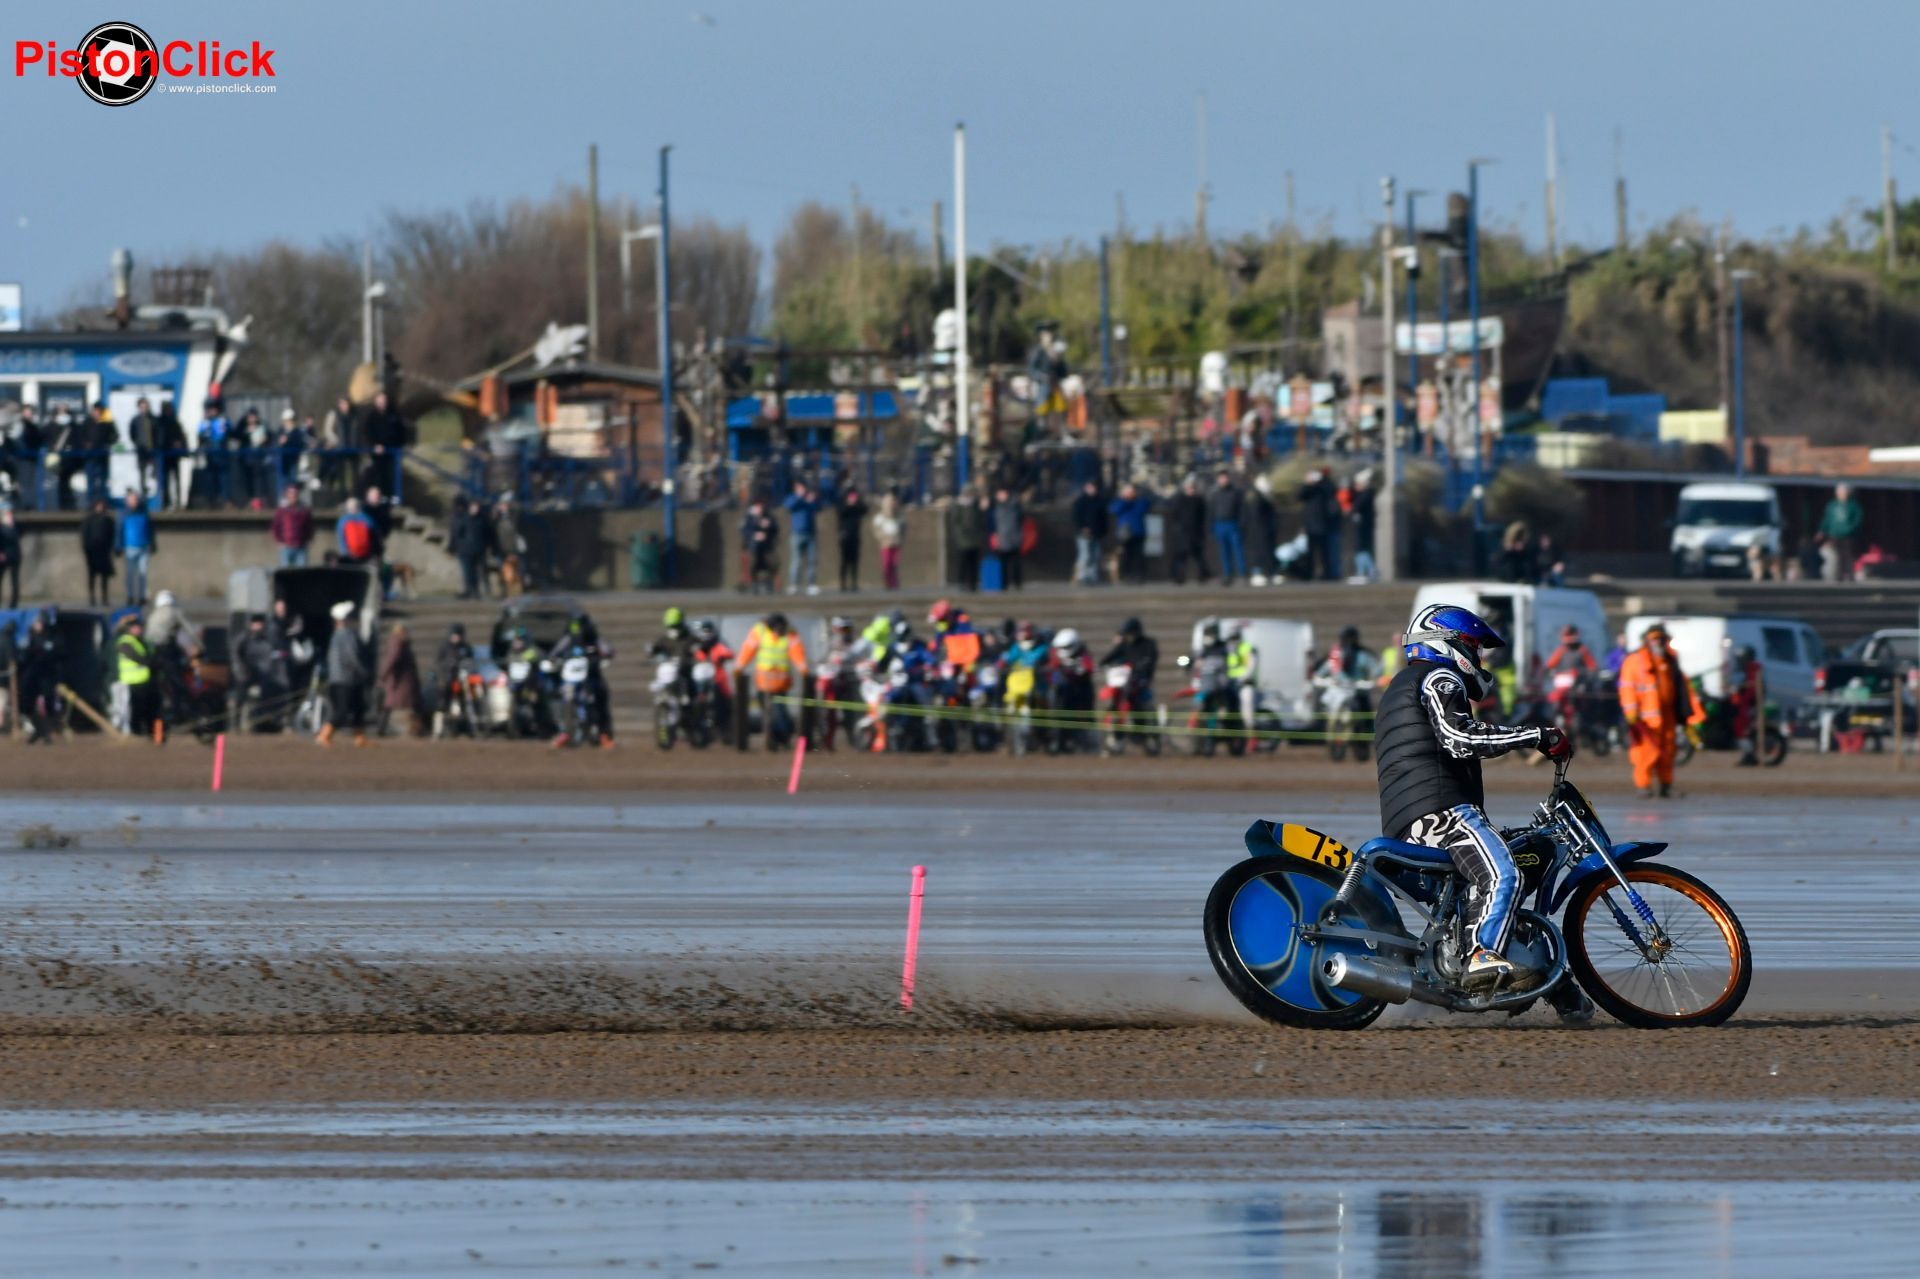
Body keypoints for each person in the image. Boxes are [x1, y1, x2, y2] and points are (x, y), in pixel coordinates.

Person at [1376, 604, 1570, 987]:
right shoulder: (1439, 677)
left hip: (1407, 820)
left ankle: (1550, 986)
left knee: (1482, 884)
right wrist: (1535, 735)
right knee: (1504, 876)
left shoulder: (1401, 685)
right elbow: (1460, 738)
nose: (1479, 659)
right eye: (1475, 647)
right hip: (1443, 811)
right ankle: (1482, 953)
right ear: (1450, 643)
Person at [1617, 623, 1706, 798]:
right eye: (1654, 639)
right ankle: (1643, 786)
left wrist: (1689, 713)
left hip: (1668, 715)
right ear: (1647, 640)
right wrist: (1630, 711)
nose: (1658, 642)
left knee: (1668, 752)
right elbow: (1627, 687)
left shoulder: (1669, 660)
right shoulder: (1635, 660)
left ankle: (1666, 786)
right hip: (1645, 718)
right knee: (1646, 753)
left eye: (1661, 639)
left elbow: (1682, 687)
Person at [735, 611, 809, 750]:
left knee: (780, 712)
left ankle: (783, 737)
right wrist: (739, 668)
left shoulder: (790, 634)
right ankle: (774, 738)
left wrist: (804, 670)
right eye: (778, 628)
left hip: (781, 684)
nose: (780, 631)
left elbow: (797, 654)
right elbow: (747, 650)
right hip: (763, 683)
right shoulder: (759, 632)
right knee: (767, 713)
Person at [319, 601, 371, 748]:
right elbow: (352, 657)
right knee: (343, 710)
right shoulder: (347, 635)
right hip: (347, 680)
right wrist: (362, 671)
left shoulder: (335, 636)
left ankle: (359, 737)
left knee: (358, 708)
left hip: (338, 679)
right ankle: (324, 735)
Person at [115, 615, 164, 745]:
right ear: (128, 629)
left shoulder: (143, 641)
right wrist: (153, 663)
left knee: (152, 710)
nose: (138, 629)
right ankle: (136, 735)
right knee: (136, 711)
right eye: (135, 627)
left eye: (139, 627)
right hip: (133, 684)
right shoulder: (125, 642)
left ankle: (154, 736)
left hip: (147, 682)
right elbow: (140, 658)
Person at [377, 623, 424, 738]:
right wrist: (383, 674)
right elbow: (392, 659)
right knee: (410, 705)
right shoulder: (398, 643)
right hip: (401, 681)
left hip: (402, 680)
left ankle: (417, 729)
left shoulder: (401, 644)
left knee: (392, 705)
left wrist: (383, 674)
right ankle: (417, 729)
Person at [1205, 471, 1246, 586]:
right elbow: (1211, 511)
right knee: (1224, 551)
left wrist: (1241, 524)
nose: (1223, 480)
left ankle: (1242, 574)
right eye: (1221, 478)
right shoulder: (1215, 494)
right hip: (1219, 524)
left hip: (1232, 523)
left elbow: (1241, 510)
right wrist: (1210, 527)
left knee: (1238, 550)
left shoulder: (1235, 493)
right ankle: (1227, 574)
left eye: (1225, 478)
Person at [1299, 469, 1340, 582]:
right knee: (1310, 551)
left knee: (1324, 552)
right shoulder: (1309, 489)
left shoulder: (1324, 487)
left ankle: (1327, 573)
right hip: (1311, 525)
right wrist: (1308, 483)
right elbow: (1301, 495)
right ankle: (1309, 573)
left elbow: (1332, 490)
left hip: (1322, 524)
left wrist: (1322, 480)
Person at [1818, 483, 1863, 582]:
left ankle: (1850, 575)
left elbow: (1857, 519)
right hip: (1835, 533)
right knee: (1837, 555)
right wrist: (1822, 530)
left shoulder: (1852, 505)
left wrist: (1850, 528)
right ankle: (1839, 576)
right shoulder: (1832, 505)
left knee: (1848, 554)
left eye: (1844, 492)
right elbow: (1827, 519)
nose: (1842, 494)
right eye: (1840, 492)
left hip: (1848, 534)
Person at [1109, 482, 1151, 585]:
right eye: (1127, 491)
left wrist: (1133, 500)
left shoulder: (1140, 501)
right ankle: (1127, 575)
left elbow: (1144, 508)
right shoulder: (1120, 502)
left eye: (1131, 491)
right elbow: (1114, 509)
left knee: (1138, 555)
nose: (1130, 493)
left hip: (1138, 532)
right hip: (1125, 534)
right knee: (1126, 555)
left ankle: (1139, 576)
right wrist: (1125, 500)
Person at [783, 480, 821, 595]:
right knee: (796, 560)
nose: (801, 490)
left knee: (812, 560)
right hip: (796, 534)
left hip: (810, 533)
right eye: (799, 488)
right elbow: (788, 506)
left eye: (802, 487)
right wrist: (799, 497)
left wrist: (813, 500)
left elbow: (818, 508)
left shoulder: (810, 499)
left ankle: (811, 584)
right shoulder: (792, 498)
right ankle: (794, 584)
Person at [1224, 622, 1260, 740]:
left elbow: (1252, 665)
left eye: (1235, 638)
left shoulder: (1247, 647)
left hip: (1245, 683)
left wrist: (1244, 677)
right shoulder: (1228, 650)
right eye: (1231, 639)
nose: (1233, 641)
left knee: (1246, 707)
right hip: (1230, 685)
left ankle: (1251, 736)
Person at [119, 491, 156, 606]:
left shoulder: (144, 513)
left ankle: (142, 596)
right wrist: (118, 546)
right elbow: (119, 531)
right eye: (131, 500)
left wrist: (152, 544)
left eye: (135, 499)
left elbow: (150, 530)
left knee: (143, 573)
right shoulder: (123, 514)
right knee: (130, 573)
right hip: (130, 547)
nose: (134, 502)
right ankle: (130, 596)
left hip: (143, 546)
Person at [452, 498, 494, 599]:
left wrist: (488, 546)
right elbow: (457, 533)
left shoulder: (483, 519)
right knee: (468, 572)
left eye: (477, 507)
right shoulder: (463, 518)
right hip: (466, 550)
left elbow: (488, 534)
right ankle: (469, 590)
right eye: (473, 507)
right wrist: (455, 546)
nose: (475, 509)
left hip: (479, 549)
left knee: (479, 572)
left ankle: (477, 591)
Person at [1242, 475, 1278, 587]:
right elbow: (1256, 515)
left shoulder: (1266, 497)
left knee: (1267, 552)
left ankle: (1270, 573)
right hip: (1259, 530)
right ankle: (1257, 574)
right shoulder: (1257, 497)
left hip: (1265, 530)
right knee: (1259, 553)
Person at [1071, 480, 1109, 586]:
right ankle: (1082, 576)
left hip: (1096, 533)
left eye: (1093, 487)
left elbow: (1103, 518)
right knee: (1085, 555)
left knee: (1095, 555)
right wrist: (1082, 528)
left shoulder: (1100, 501)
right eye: (1090, 487)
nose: (1092, 490)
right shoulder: (1080, 501)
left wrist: (1102, 530)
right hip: (1083, 534)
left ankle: (1093, 576)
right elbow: (1076, 518)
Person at [80, 496, 117, 605]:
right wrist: (86, 549)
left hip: (104, 551)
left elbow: (111, 535)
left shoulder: (108, 520)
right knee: (92, 575)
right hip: (92, 551)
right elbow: (84, 535)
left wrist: (110, 548)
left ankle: (104, 598)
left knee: (104, 576)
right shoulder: (88, 520)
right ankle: (92, 598)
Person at [270, 484, 314, 568]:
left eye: (295, 494)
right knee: (286, 571)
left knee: (302, 571)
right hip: (286, 546)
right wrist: (278, 541)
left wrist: (309, 539)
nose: (293, 496)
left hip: (301, 546)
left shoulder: (304, 510)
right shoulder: (281, 510)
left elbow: (309, 527)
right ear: (287, 495)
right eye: (291, 494)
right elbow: (275, 527)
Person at [989, 486, 1025, 591]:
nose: (1000, 496)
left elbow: (1020, 518)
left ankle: (1017, 583)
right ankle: (1004, 584)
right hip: (1002, 539)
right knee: (1003, 563)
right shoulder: (995, 506)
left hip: (1014, 538)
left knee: (1015, 562)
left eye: (1002, 494)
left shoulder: (1014, 505)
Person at [948, 489, 984, 590]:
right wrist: (961, 533)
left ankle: (973, 583)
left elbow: (980, 520)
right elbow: (956, 522)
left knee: (974, 563)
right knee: (963, 562)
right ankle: (961, 582)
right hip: (963, 539)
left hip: (974, 539)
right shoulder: (959, 505)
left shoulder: (976, 505)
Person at [741, 499, 778, 595]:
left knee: (771, 564)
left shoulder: (768, 516)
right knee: (753, 564)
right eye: (757, 507)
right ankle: (754, 584)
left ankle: (768, 583)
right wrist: (754, 534)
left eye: (761, 506)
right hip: (753, 547)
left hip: (766, 547)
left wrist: (768, 527)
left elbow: (775, 529)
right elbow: (744, 530)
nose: (759, 509)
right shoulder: (749, 517)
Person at [836, 486, 868, 592]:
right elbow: (841, 512)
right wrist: (849, 504)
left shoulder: (858, 506)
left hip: (855, 537)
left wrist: (858, 501)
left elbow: (865, 509)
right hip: (845, 536)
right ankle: (843, 584)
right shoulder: (843, 504)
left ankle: (854, 583)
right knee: (844, 561)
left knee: (855, 561)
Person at [871, 494, 904, 591]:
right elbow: (876, 530)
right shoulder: (880, 517)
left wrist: (900, 539)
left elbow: (903, 529)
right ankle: (888, 583)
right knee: (886, 564)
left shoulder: (899, 516)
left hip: (896, 543)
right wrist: (882, 538)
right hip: (885, 544)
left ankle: (894, 583)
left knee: (894, 564)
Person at [1350, 470, 1378, 583]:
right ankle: (1367, 571)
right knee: (1361, 548)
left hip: (1364, 524)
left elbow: (1357, 506)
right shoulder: (1364, 493)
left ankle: (1366, 571)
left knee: (1362, 548)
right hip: (1362, 524)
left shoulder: (1366, 494)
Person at [336, 497, 376, 565]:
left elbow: (341, 537)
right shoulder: (367, 518)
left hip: (351, 555)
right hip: (365, 554)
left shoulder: (343, 520)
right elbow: (374, 534)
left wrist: (344, 552)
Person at [0, 508, 20, 608]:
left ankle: (14, 603)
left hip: (14, 556)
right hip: (4, 556)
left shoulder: (15, 528)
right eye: (8, 516)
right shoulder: (1, 528)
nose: (10, 517)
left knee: (14, 581)